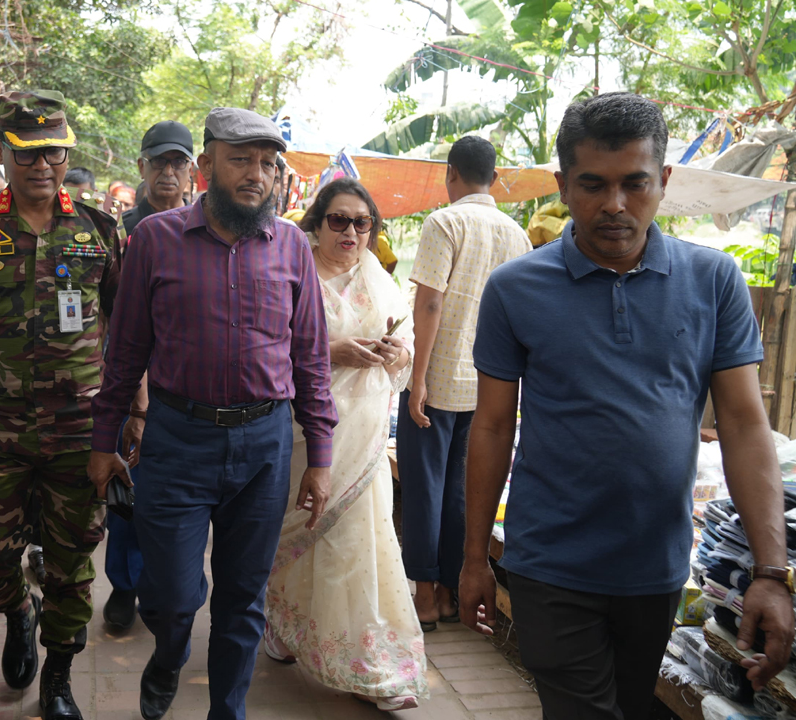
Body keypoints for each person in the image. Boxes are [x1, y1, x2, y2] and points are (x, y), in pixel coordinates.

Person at [461, 91, 796, 720]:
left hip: (656, 567)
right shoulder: (515, 289)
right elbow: (493, 426)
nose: (615, 204)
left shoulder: (714, 281)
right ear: (563, 185)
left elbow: (745, 425)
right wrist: (474, 556)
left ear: (663, 181)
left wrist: (770, 572)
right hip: (548, 563)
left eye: (634, 183)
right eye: (593, 184)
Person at [88, 106, 336, 720]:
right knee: (170, 598)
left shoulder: (292, 247)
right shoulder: (155, 240)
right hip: (177, 441)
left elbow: (310, 357)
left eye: (267, 164)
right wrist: (103, 440)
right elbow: (125, 352)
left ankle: (228, 709)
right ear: (206, 166)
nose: (257, 174)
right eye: (241, 160)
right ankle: (170, 650)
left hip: (264, 447)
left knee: (243, 598)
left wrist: (320, 456)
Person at [0, 90, 124, 720]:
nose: (42, 165)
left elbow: (124, 331)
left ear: (67, 153)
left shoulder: (101, 230)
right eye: (26, 153)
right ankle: (19, 611)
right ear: (2, 152)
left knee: (73, 561)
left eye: (53, 152)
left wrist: (130, 415)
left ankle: (59, 675)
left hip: (79, 427)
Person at [262, 178, 427, 712]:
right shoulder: (295, 270)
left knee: (358, 543)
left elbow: (407, 335)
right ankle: (282, 625)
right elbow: (266, 343)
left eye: (362, 222)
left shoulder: (377, 275)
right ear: (317, 223)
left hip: (366, 434)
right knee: (301, 532)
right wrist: (332, 350)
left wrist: (398, 353)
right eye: (339, 220)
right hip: (304, 430)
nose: (351, 231)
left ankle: (370, 663)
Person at [397, 135, 531, 630]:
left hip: (438, 382)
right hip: (488, 389)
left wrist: (417, 379)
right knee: (463, 493)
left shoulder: (444, 222)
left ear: (450, 173)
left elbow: (430, 302)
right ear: (494, 178)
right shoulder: (517, 235)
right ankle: (451, 595)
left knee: (423, 490)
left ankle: (425, 598)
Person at [99, 120, 196, 634]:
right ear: (142, 166)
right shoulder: (119, 231)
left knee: (182, 496)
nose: (168, 172)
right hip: (133, 378)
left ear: (193, 170)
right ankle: (124, 585)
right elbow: (112, 317)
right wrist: (134, 398)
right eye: (159, 162)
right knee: (128, 482)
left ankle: (169, 588)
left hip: (188, 383)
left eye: (178, 162)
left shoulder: (207, 228)